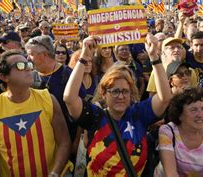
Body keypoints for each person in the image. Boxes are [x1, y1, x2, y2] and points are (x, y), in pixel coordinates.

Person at [63, 34, 172, 176]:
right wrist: (84, 57)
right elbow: (69, 98)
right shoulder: (95, 116)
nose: (121, 96)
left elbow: (164, 97)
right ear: (104, 93)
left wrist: (154, 58)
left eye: (125, 91)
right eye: (115, 91)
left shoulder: (138, 114)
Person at [0, 50, 71, 177]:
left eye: (28, 64)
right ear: (4, 77)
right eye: (20, 66)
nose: (27, 68)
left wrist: (55, 173)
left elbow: (64, 142)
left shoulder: (48, 99)